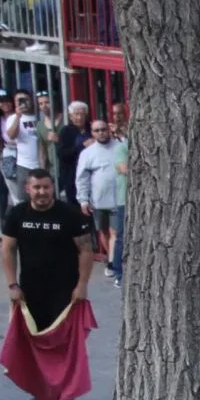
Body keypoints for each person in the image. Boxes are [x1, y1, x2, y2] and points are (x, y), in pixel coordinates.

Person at [0, 170, 97, 400]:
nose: (42, 192)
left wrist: (82, 285)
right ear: (27, 189)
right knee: (34, 342)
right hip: (30, 289)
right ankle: (41, 392)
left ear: (53, 188)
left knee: (65, 344)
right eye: (37, 187)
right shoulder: (17, 214)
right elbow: (7, 249)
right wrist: (12, 285)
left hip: (65, 290)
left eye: (46, 187)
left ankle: (67, 395)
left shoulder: (70, 214)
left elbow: (86, 249)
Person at [73, 115, 126, 278]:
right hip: (98, 200)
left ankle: (113, 262)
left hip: (118, 198)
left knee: (115, 231)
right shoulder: (87, 153)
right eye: (97, 130)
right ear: (92, 133)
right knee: (104, 232)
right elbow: (81, 177)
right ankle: (110, 259)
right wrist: (83, 200)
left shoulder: (119, 146)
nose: (101, 133)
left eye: (103, 129)